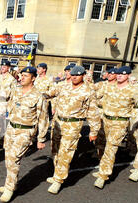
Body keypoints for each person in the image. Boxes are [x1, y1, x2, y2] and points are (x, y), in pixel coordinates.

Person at [0, 66, 48, 203]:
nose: (21, 78)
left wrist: (41, 139)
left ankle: (10, 189)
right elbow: (6, 104)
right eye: (21, 75)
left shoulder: (38, 96)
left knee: (13, 158)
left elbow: (43, 118)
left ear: (33, 78)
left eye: (25, 76)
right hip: (11, 129)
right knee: (8, 159)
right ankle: (10, 183)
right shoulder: (15, 91)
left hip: (25, 131)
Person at [93, 66, 138, 189]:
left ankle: (103, 175)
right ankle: (103, 167)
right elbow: (97, 98)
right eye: (118, 74)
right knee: (102, 146)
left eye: (123, 74)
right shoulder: (109, 87)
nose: (119, 75)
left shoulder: (134, 90)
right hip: (105, 120)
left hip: (119, 123)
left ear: (128, 76)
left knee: (111, 148)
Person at [43, 66, 100, 194]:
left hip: (73, 125)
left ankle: (59, 180)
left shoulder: (88, 91)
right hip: (57, 123)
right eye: (73, 75)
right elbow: (48, 94)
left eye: (77, 75)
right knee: (55, 149)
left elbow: (93, 113)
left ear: (83, 76)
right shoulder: (63, 86)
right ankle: (56, 173)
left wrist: (94, 131)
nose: (74, 77)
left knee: (66, 152)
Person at [93, 68, 118, 160]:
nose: (110, 75)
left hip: (110, 112)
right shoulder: (102, 84)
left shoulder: (118, 86)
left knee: (108, 135)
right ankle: (98, 151)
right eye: (109, 73)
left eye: (112, 74)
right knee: (98, 132)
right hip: (99, 110)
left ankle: (105, 155)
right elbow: (91, 88)